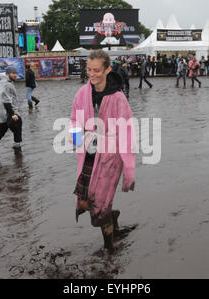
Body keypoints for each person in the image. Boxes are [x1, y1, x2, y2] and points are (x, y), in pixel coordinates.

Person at [71, 50, 136, 253]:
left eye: (97, 70)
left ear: (107, 69)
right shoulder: (82, 93)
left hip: (110, 157)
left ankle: (109, 250)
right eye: (89, 69)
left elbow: (127, 131)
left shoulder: (118, 98)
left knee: (99, 205)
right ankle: (112, 216)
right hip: (89, 153)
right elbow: (74, 120)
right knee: (83, 201)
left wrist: (129, 165)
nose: (92, 74)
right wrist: (76, 141)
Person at [0, 67, 23, 155]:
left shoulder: (2, 82)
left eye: (16, 73)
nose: (15, 75)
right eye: (13, 73)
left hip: (3, 112)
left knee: (1, 131)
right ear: (8, 74)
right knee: (17, 126)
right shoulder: (7, 84)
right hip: (9, 111)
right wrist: (12, 114)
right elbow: (6, 100)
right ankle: (17, 151)